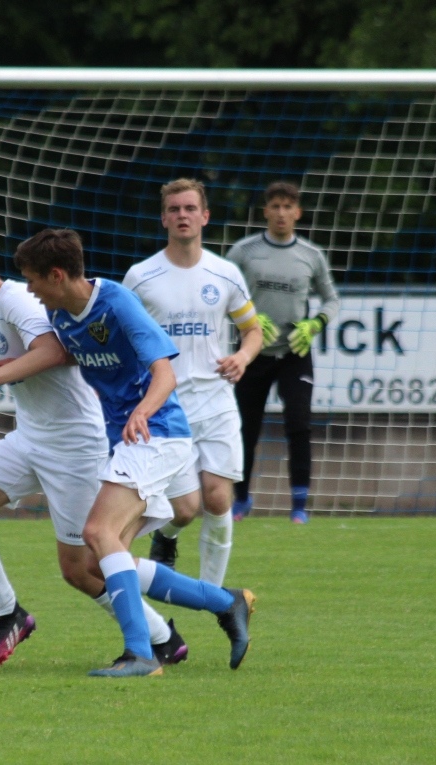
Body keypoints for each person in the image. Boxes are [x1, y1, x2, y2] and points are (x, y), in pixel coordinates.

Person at [0, 224, 187, 669]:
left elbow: (55, 351)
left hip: (72, 444)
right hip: (31, 436)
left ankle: (163, 637)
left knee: (83, 568)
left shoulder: (17, 300)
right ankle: (11, 614)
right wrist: (9, 366)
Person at [14, 228, 255, 678]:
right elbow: (65, 356)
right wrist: (4, 371)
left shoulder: (118, 301)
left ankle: (141, 655)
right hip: (130, 441)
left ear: (57, 274)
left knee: (97, 531)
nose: (28, 290)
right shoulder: (64, 318)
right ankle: (228, 602)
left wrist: (142, 412)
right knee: (98, 562)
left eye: (32, 279)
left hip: (155, 433)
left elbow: (164, 373)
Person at [125, 179, 269, 585]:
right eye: (174, 209)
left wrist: (242, 356)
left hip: (217, 400)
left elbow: (253, 330)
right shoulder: (141, 276)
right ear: (163, 218)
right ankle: (167, 538)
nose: (182, 215)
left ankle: (213, 594)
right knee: (185, 509)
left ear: (204, 216)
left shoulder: (224, 273)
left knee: (220, 498)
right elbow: (125, 335)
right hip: (169, 407)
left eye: (190, 208)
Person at [226, 181, 341, 524]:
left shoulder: (311, 255)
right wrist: (248, 317)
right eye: (274, 206)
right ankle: (242, 499)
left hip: (294, 351)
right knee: (246, 427)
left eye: (287, 207)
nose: (280, 213)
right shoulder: (244, 252)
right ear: (265, 211)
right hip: (252, 351)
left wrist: (315, 323)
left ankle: (299, 507)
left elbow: (332, 299)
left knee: (298, 423)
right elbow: (222, 294)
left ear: (297, 213)